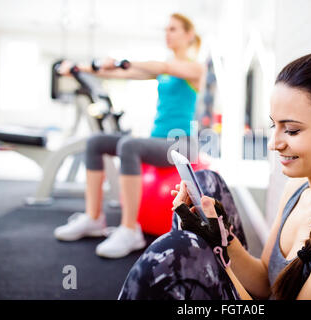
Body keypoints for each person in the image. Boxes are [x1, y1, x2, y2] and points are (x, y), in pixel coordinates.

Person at [118, 52, 311, 300]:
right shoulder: (297, 188)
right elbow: (265, 282)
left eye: (292, 130)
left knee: (173, 254)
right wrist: (220, 236)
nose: (273, 144)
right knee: (206, 184)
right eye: (274, 126)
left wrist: (218, 259)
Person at [53, 13, 205, 259]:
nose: (168, 33)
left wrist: (123, 60)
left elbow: (162, 66)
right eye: (166, 29)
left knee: (129, 145)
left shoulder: (194, 68)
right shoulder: (163, 71)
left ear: (189, 35)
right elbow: (120, 74)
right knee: (95, 142)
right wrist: (79, 69)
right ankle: (93, 218)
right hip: (159, 140)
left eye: (174, 29)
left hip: (183, 144)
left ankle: (130, 229)